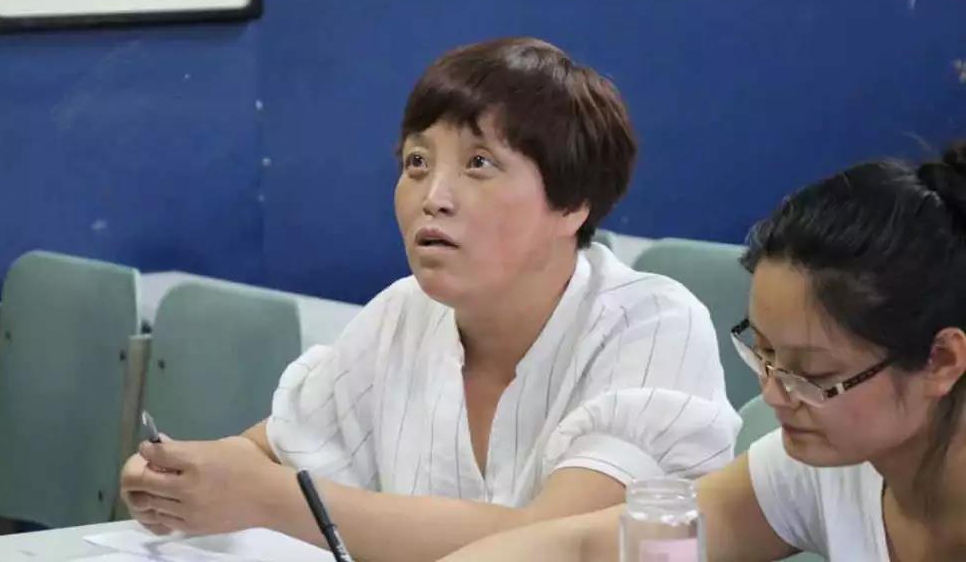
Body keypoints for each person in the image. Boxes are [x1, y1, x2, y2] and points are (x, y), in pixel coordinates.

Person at [120, 37, 739, 562]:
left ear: (572, 205)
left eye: (479, 163)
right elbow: (276, 444)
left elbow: (555, 543)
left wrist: (271, 498)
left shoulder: (651, 324)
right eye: (416, 162)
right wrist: (188, 474)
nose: (433, 196)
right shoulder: (403, 313)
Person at [442, 142, 966, 562]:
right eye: (763, 352)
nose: (774, 394)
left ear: (941, 361)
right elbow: (588, 547)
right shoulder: (821, 471)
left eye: (814, 373)